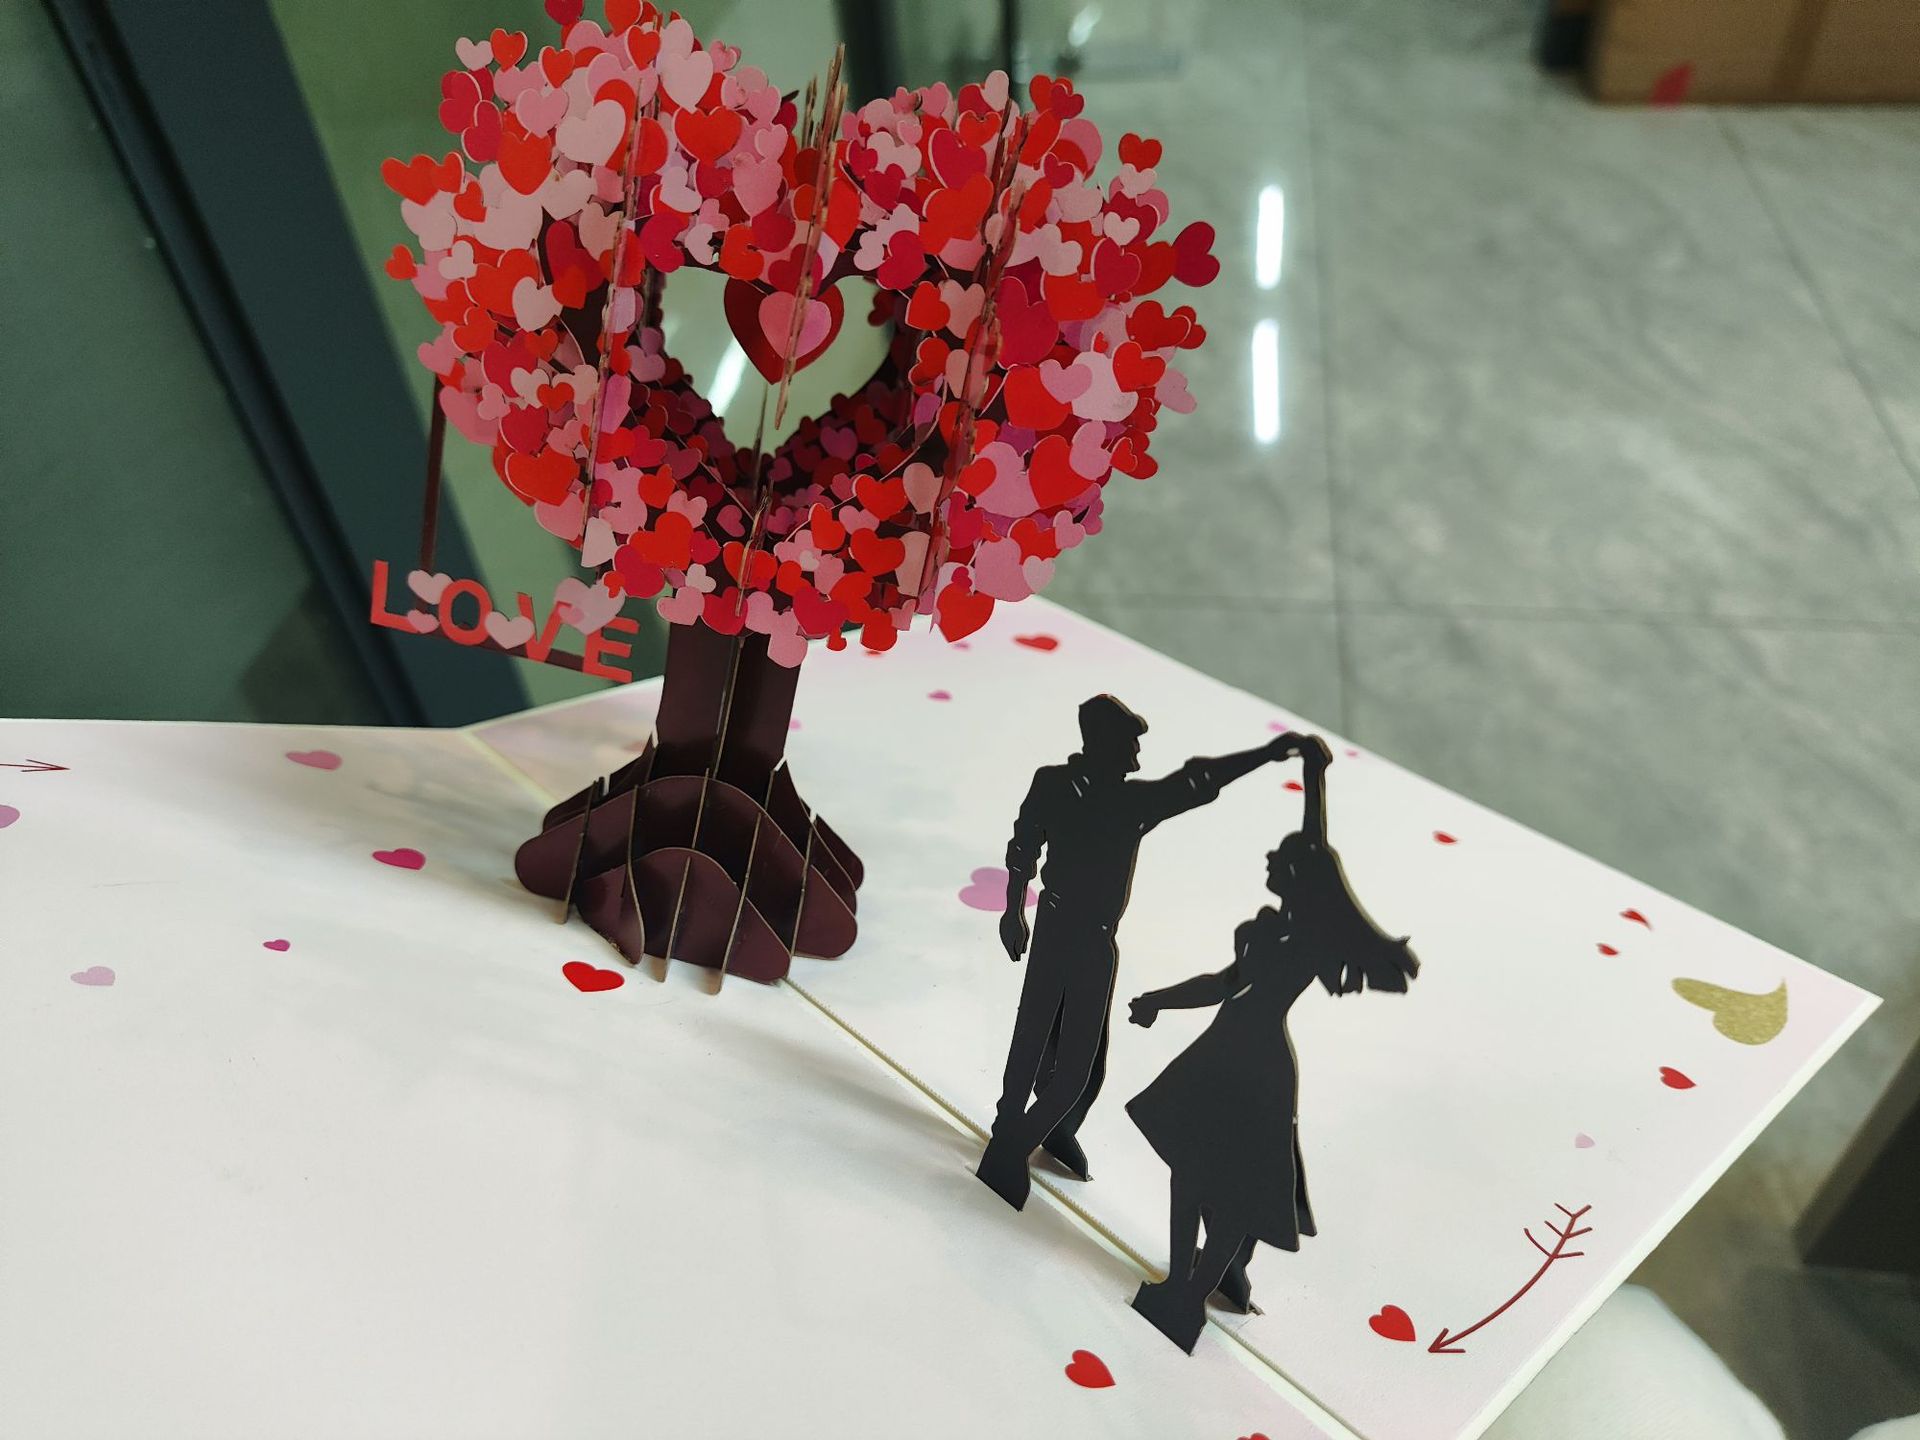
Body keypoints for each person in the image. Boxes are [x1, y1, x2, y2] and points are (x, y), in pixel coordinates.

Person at [1124, 736, 1419, 1352]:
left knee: (1233, 1189)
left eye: (1280, 857)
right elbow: (1221, 984)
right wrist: (1158, 1000)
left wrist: (1313, 776)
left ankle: (1193, 1293)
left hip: (1259, 1064)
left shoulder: (1308, 936)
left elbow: (1315, 843)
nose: (1269, 857)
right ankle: (1184, 1281)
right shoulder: (1263, 930)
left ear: (1299, 876)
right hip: (1220, 1050)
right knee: (1190, 1171)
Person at [976, 695, 1304, 1210]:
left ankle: (1047, 1129)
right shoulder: (1054, 784)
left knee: (1084, 1067)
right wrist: (1013, 908)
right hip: (1056, 928)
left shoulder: (1132, 803)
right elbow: (1024, 847)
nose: (1137, 754)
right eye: (1130, 742)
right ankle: (1009, 1138)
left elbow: (1197, 782)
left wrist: (1265, 755)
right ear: (1105, 743)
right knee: (1033, 1038)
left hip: (1097, 941)